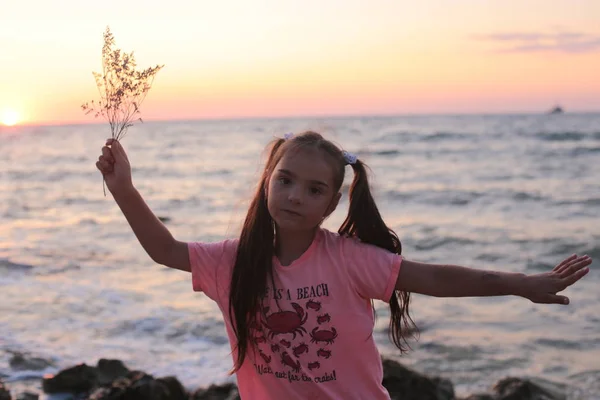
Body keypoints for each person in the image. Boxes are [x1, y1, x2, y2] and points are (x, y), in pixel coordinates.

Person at [96, 131, 592, 399]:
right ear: (268, 181)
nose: (295, 196)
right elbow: (163, 249)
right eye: (285, 180)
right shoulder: (232, 261)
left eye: (314, 190)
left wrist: (522, 284)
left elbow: (434, 277)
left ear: (333, 203)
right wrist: (123, 188)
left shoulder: (349, 260)